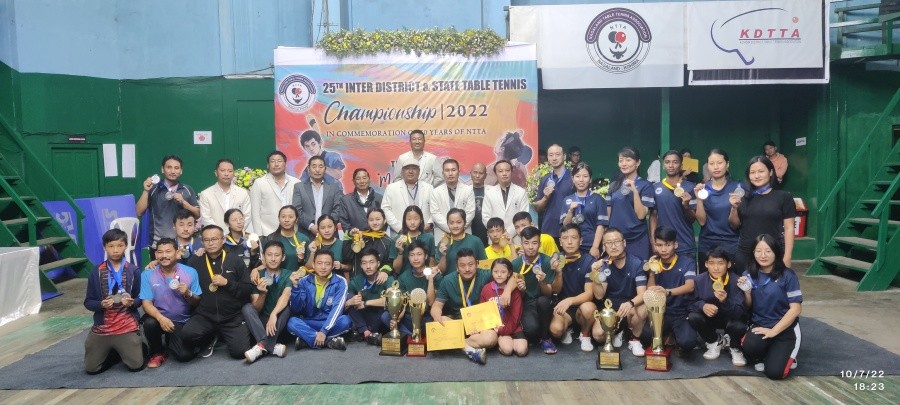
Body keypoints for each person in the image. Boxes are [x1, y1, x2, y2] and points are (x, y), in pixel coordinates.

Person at [177, 225, 255, 361]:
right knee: (187, 334)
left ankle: (224, 335)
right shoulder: (195, 261)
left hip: (231, 317)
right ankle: (210, 337)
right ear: (202, 242)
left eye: (214, 239)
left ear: (223, 239)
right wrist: (154, 263)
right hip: (205, 316)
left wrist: (227, 283)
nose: (211, 243)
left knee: (239, 352)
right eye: (206, 240)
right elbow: (179, 272)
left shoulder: (235, 260)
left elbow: (247, 289)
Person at [738, 234, 803, 380]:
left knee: (774, 373)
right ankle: (769, 352)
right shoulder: (748, 275)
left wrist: (774, 331)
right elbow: (748, 307)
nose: (763, 255)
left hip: (785, 329)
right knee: (749, 349)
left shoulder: (788, 276)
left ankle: (788, 354)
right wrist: (747, 293)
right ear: (753, 253)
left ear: (776, 252)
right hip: (760, 325)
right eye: (758, 251)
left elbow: (796, 309)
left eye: (768, 251)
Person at [432, 249, 509, 364]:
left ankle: (454, 344)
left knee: (491, 338)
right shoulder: (448, 280)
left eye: (471, 265)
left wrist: (507, 291)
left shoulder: (485, 274)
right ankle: (468, 349)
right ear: (457, 267)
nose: (467, 269)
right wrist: (436, 316)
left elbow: (513, 277)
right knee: (439, 322)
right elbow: (436, 306)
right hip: (459, 325)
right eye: (462, 265)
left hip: (481, 326)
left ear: (477, 264)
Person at [83, 229, 144, 374]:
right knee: (91, 369)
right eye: (111, 246)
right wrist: (100, 305)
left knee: (136, 366)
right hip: (102, 328)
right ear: (104, 247)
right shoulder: (96, 271)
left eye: (120, 245)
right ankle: (113, 352)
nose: (115, 250)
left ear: (126, 246)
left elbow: (140, 298)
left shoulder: (134, 271)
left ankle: (132, 346)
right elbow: (88, 302)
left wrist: (132, 303)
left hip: (126, 326)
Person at [140, 238, 201, 368]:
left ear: (177, 253)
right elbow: (146, 303)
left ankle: (171, 339)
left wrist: (188, 293)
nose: (164, 256)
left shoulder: (190, 272)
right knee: (149, 323)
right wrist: (161, 318)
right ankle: (157, 352)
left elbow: (197, 302)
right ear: (155, 255)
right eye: (160, 252)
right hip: (159, 318)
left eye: (168, 251)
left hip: (182, 321)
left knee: (185, 356)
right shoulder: (147, 274)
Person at [590, 228, 649, 357]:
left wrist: (630, 303)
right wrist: (595, 275)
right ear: (604, 246)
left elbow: (643, 294)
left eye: (617, 241)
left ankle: (634, 339)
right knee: (598, 335)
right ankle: (619, 332)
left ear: (624, 243)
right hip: (611, 308)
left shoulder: (636, 263)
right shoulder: (603, 265)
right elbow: (599, 295)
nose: (613, 246)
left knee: (643, 308)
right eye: (609, 243)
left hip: (630, 307)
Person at [730, 156, 796, 270]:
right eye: (753, 172)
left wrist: (787, 256)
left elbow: (789, 228)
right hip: (745, 253)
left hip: (772, 253)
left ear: (770, 172)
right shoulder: (743, 197)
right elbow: (734, 224)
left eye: (761, 171)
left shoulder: (784, 197)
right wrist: (734, 207)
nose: (756, 176)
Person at [687, 246, 746, 366]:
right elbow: (689, 303)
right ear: (706, 264)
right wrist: (702, 306)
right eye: (711, 263)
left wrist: (726, 301)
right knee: (693, 317)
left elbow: (740, 311)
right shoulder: (699, 280)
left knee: (740, 324)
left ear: (728, 264)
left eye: (720, 263)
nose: (716, 267)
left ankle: (734, 346)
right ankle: (715, 341)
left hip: (729, 319)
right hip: (710, 319)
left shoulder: (737, 281)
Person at [643, 227, 697, 354]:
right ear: (654, 245)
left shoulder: (687, 262)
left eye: (668, 245)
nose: (663, 249)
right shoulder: (654, 263)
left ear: (675, 244)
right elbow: (650, 292)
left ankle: (674, 335)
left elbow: (691, 286)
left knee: (687, 343)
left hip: (681, 313)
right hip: (662, 313)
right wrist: (651, 272)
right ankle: (668, 335)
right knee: (645, 337)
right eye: (659, 245)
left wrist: (668, 292)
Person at [511, 226, 562, 354]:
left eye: (534, 243)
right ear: (521, 244)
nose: (530, 247)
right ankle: (538, 331)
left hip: (543, 302)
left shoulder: (546, 261)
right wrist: (521, 290)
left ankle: (545, 338)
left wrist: (542, 282)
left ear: (539, 244)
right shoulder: (516, 264)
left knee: (543, 301)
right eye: (526, 243)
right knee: (531, 330)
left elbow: (549, 293)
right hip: (526, 303)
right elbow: (517, 295)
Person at [287, 250, 351, 351]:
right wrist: (295, 287)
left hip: (330, 322)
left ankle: (307, 339)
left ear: (333, 265)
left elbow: (337, 309)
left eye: (327, 264)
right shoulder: (304, 281)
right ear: (313, 264)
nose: (323, 267)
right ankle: (329, 342)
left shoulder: (340, 281)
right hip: (310, 322)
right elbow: (296, 309)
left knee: (345, 321)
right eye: (319, 263)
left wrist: (324, 331)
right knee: (292, 322)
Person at [242, 240, 294, 363]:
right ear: (263, 256)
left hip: (278, 321)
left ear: (283, 257)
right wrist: (262, 293)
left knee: (288, 307)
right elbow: (257, 308)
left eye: (277, 255)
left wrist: (274, 314)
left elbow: (285, 296)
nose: (273, 258)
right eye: (269, 255)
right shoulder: (256, 275)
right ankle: (270, 346)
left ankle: (261, 346)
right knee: (247, 308)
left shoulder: (288, 274)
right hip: (260, 322)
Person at [549, 224, 598, 352]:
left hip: (582, 306)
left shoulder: (589, 261)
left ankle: (585, 334)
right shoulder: (555, 259)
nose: (569, 242)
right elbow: (555, 290)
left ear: (580, 240)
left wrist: (570, 300)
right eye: (565, 238)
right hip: (564, 309)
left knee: (588, 308)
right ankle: (568, 328)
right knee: (556, 330)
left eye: (573, 238)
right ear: (560, 241)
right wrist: (558, 272)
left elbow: (589, 294)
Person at [136, 155, 200, 252]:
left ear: (181, 171)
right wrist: (146, 191)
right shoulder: (153, 188)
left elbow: (197, 214)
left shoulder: (187, 189)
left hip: (183, 244)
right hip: (159, 244)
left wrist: (184, 203)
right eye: (169, 167)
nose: (173, 171)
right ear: (162, 169)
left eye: (176, 168)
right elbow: (139, 212)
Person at [693, 149, 743, 273]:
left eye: (719, 163)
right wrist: (699, 199)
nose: (716, 167)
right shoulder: (702, 189)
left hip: (730, 244)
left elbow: (736, 224)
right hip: (707, 245)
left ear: (727, 164)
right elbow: (702, 222)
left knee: (731, 285)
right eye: (711, 163)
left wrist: (734, 207)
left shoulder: (737, 189)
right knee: (706, 285)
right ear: (707, 166)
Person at [384, 240, 442, 337]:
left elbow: (431, 302)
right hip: (408, 317)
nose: (415, 258)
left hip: (426, 317)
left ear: (426, 256)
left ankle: (409, 337)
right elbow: (402, 303)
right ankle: (412, 336)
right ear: (408, 258)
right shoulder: (403, 277)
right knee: (386, 317)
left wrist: (431, 280)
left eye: (419, 254)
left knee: (435, 323)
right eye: (412, 255)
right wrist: (397, 318)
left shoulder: (435, 275)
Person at [606, 147, 654, 260]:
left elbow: (641, 215)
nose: (623, 163)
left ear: (637, 162)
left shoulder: (646, 185)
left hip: (637, 239)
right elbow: (608, 214)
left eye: (628, 160)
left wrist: (635, 191)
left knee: (639, 273)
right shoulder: (614, 185)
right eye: (621, 160)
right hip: (616, 241)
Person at [650, 150, 697, 258]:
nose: (671, 165)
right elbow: (653, 217)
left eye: (675, 162)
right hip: (663, 246)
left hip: (685, 244)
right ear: (663, 165)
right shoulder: (655, 188)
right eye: (667, 162)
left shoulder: (690, 187)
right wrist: (654, 242)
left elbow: (692, 219)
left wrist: (686, 206)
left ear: (681, 165)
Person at [480, 258, 527, 357]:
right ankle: (502, 343)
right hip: (498, 328)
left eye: (503, 272)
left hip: (513, 327)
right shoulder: (486, 289)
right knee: (508, 350)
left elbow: (516, 316)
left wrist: (503, 330)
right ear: (491, 272)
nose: (499, 274)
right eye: (496, 271)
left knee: (521, 351)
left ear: (509, 273)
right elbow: (482, 312)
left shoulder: (514, 290)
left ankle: (510, 341)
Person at [561, 162, 608, 258]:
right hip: (572, 246)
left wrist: (595, 247)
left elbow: (601, 226)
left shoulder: (598, 199)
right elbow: (565, 226)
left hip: (591, 246)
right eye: (577, 176)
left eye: (585, 176)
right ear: (572, 179)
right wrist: (570, 211)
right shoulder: (567, 200)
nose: (581, 180)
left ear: (590, 179)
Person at [346, 249, 392, 345]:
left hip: (380, 315)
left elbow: (390, 300)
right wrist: (351, 301)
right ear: (361, 265)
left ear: (378, 263)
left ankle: (364, 332)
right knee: (349, 297)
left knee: (385, 315)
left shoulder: (386, 278)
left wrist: (366, 303)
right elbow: (345, 302)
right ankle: (366, 332)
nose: (368, 266)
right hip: (364, 316)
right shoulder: (357, 280)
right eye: (364, 263)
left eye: (371, 262)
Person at [250, 151, 301, 236]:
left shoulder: (296, 183)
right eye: (273, 161)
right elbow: (255, 212)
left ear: (285, 164)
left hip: (293, 232)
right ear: (268, 165)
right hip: (268, 232)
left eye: (279, 161)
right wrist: (258, 235)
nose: (276, 164)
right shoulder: (259, 183)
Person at [292, 155, 343, 238]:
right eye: (314, 166)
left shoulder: (334, 188)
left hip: (329, 234)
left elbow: (337, 209)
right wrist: (310, 226)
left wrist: (326, 226)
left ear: (325, 169)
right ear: (308, 169)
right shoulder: (299, 187)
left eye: (320, 166)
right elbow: (297, 210)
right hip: (306, 234)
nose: (317, 170)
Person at [382, 156, 434, 234]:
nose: (410, 171)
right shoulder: (391, 188)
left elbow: (435, 209)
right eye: (407, 169)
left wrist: (430, 224)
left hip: (425, 233)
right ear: (402, 172)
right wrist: (399, 228)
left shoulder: (429, 188)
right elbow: (385, 209)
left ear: (419, 171)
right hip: (399, 234)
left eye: (414, 169)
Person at [430, 159, 476, 245]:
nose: (450, 173)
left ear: (459, 172)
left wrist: (459, 228)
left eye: (453, 170)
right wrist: (452, 228)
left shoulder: (468, 190)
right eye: (447, 170)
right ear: (443, 173)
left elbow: (470, 212)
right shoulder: (435, 192)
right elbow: (435, 213)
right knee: (443, 257)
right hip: (442, 234)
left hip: (464, 233)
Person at [533, 144, 574, 239]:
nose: (554, 158)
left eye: (557, 154)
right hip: (548, 229)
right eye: (551, 155)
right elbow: (537, 208)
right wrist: (545, 197)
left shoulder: (573, 178)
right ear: (547, 158)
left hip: (569, 229)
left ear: (564, 156)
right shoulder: (545, 179)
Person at [482, 160, 529, 240]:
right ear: (496, 173)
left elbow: (524, 216)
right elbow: (485, 216)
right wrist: (497, 232)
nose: (504, 174)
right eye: (500, 171)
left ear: (511, 172)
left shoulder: (521, 192)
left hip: (516, 237)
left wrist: (509, 232)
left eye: (507, 171)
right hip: (495, 238)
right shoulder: (489, 192)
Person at [199, 159, 252, 231]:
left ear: (234, 173)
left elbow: (247, 216)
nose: (226, 174)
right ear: (216, 173)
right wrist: (219, 234)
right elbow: (206, 218)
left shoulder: (242, 193)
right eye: (223, 170)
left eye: (230, 171)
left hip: (237, 237)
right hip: (216, 237)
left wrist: (234, 233)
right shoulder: (206, 194)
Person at [343, 208, 394, 279]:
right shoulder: (360, 237)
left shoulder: (389, 242)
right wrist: (349, 236)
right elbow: (347, 257)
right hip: (358, 280)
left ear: (384, 220)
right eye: (371, 220)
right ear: (367, 221)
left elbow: (390, 262)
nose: (374, 223)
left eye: (378, 219)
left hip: (377, 282)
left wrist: (385, 271)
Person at [436, 208, 487, 275]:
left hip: (473, 282)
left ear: (465, 222)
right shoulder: (443, 244)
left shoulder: (475, 241)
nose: (455, 226)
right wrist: (443, 255)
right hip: (450, 283)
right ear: (447, 224)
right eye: (451, 223)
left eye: (459, 222)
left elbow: (484, 266)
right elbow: (440, 271)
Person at [390, 206, 435, 275]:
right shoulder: (397, 240)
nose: (412, 222)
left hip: (423, 278)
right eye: (409, 219)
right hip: (403, 280)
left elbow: (431, 263)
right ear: (404, 221)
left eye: (416, 219)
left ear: (421, 221)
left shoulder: (429, 238)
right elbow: (396, 270)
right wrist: (400, 252)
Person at [265, 205, 310, 273]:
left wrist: (301, 259)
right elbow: (264, 264)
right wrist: (255, 270)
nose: (286, 220)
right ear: (279, 219)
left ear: (296, 219)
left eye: (290, 217)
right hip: (277, 280)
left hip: (298, 279)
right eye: (283, 217)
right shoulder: (270, 238)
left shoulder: (304, 239)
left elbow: (308, 266)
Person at [335, 168, 383, 232]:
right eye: (358, 179)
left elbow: (385, 219)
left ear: (369, 180)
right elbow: (344, 222)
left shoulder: (379, 198)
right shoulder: (346, 200)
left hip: (377, 238)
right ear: (353, 181)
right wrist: (351, 231)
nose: (362, 181)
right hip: (356, 239)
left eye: (364, 178)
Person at [470, 163, 490, 245]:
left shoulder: (492, 191)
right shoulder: (464, 191)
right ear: (470, 173)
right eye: (475, 172)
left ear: (485, 175)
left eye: (481, 173)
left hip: (487, 231)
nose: (477, 176)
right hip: (470, 230)